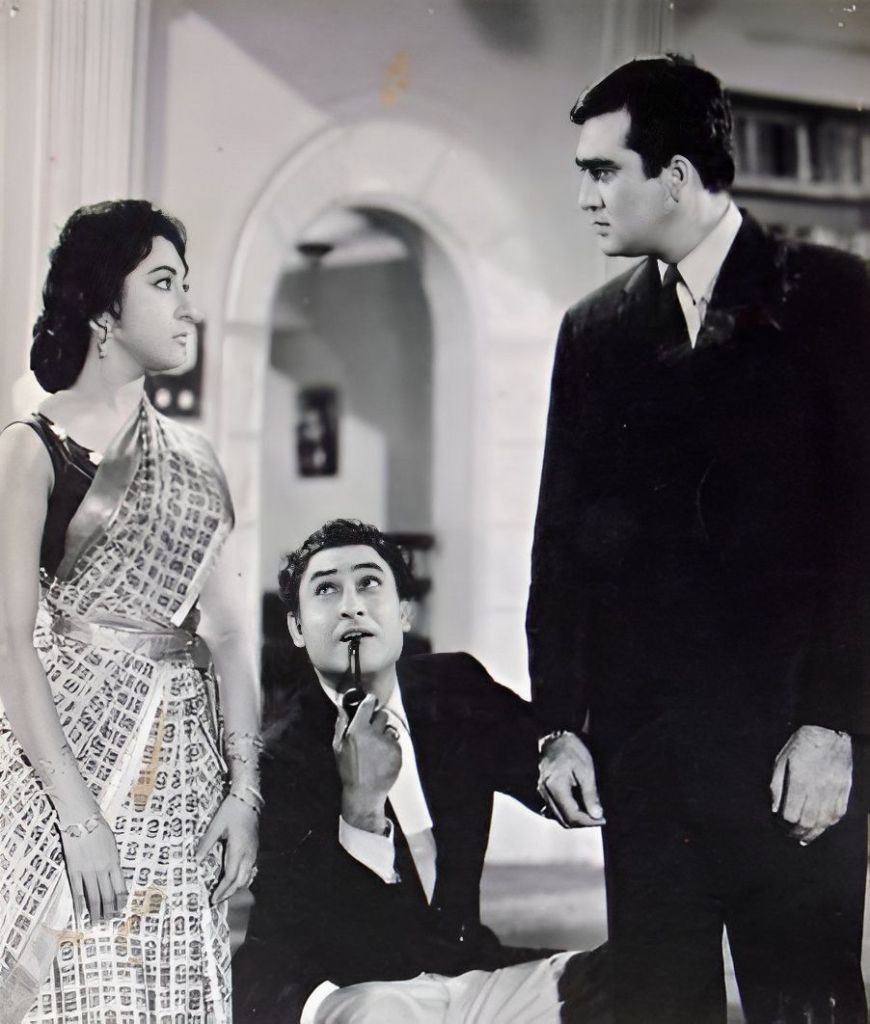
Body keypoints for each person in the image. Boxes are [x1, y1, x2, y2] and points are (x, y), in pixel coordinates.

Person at [527, 54, 869, 1024]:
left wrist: (838, 725)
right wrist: (557, 725)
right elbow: (561, 550)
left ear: (675, 176)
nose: (586, 197)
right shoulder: (594, 331)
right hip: (645, 770)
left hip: (793, 762)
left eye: (603, 171)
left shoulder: (837, 297)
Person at [0, 200, 262, 1023]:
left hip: (181, 783)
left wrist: (245, 794)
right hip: (64, 774)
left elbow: (229, 634)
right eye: (163, 282)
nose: (187, 306)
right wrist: (78, 820)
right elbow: (9, 643)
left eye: (185, 283)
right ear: (103, 309)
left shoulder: (195, 460)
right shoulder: (31, 449)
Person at [232, 519, 606, 1024]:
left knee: (629, 980)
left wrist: (558, 742)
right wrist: (361, 807)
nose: (351, 606)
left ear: (405, 613)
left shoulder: (455, 686)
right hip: (343, 990)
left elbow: (551, 768)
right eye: (326, 589)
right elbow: (349, 953)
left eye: (369, 582)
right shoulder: (276, 759)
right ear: (297, 628)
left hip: (466, 977)